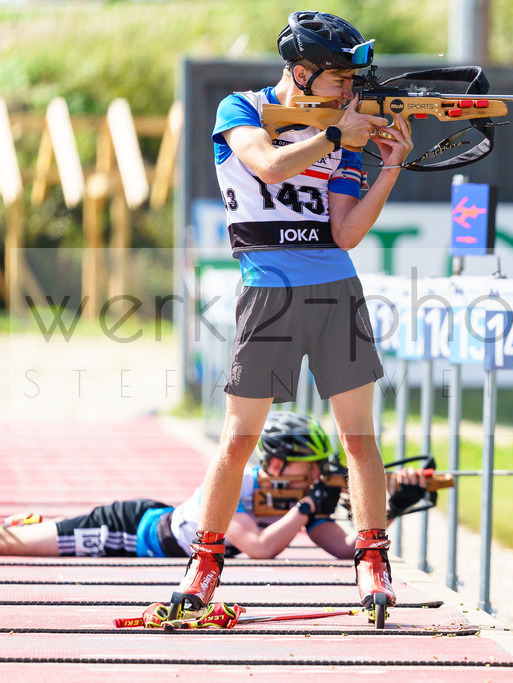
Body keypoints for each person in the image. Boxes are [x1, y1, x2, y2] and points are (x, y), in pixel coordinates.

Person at [171, 10, 414, 623]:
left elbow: (346, 231)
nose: (350, 91)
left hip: (337, 289)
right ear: (302, 73)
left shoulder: (349, 129)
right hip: (267, 293)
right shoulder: (242, 108)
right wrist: (337, 137)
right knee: (239, 439)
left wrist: (387, 165)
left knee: (359, 440)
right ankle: (205, 562)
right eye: (339, 80)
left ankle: (372, 563)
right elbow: (270, 166)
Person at [0, 412, 432, 561]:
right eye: (310, 467)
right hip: (131, 532)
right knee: (13, 545)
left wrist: (391, 506)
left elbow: (345, 548)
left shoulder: (300, 498)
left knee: (27, 537)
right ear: (278, 462)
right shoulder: (239, 482)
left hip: (154, 523)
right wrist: (305, 508)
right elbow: (260, 547)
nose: (318, 477)